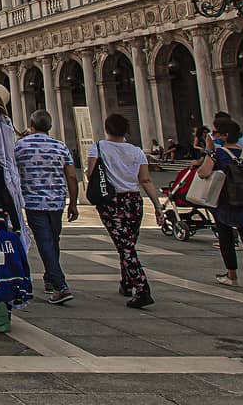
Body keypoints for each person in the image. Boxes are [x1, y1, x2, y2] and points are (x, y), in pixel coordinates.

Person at [85, 113, 164, 309]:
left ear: (106, 128)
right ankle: (126, 283)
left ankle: (143, 289)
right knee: (128, 243)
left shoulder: (99, 147)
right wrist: (157, 206)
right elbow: (145, 180)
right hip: (134, 201)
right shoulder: (136, 151)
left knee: (125, 247)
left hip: (112, 202)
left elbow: (90, 173)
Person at [14, 110, 80, 305]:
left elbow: (11, 170)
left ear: (31, 125)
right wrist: (74, 203)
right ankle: (51, 278)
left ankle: (61, 285)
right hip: (57, 201)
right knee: (53, 239)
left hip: (34, 202)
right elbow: (71, 176)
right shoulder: (60, 147)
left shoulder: (21, 146)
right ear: (49, 127)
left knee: (45, 242)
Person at [202, 116, 243, 295]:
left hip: (225, 202)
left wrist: (209, 151)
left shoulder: (218, 153)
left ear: (224, 135)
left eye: (215, 132)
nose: (212, 135)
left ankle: (232, 275)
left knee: (225, 238)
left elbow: (204, 172)